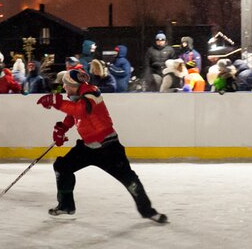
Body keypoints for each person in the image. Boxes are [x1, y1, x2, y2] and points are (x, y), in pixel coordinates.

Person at [36, 68, 167, 223]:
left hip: (108, 147)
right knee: (62, 166)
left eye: (66, 84)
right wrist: (62, 128)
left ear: (73, 84)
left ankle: (148, 211)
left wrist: (56, 102)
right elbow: (73, 115)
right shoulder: (77, 95)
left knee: (129, 179)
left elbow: (82, 111)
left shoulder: (92, 92)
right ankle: (66, 205)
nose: (64, 87)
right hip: (88, 147)